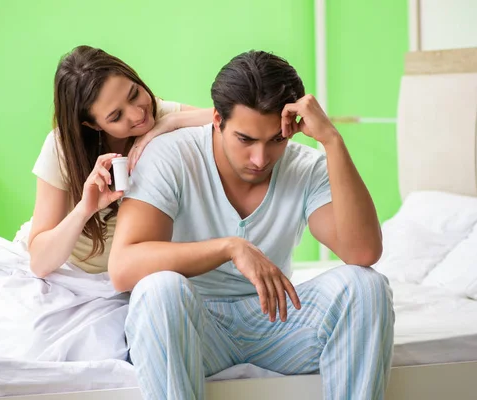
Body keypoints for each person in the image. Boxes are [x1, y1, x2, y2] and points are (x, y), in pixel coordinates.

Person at [108, 50, 394, 399]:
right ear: (217, 119)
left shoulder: (307, 166)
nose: (261, 159)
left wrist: (332, 140)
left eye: (276, 140)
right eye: (245, 140)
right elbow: (123, 268)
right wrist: (230, 247)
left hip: (278, 322)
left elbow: (362, 251)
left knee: (366, 286)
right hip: (196, 328)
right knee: (159, 290)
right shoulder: (172, 155)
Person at [28, 45, 211, 277]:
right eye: (115, 116)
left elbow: (230, 121)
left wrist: (172, 121)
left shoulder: (158, 114)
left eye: (134, 94)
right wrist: (85, 209)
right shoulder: (62, 148)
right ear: (92, 125)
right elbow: (39, 263)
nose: (137, 114)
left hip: (142, 273)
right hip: (75, 276)